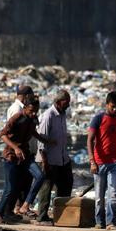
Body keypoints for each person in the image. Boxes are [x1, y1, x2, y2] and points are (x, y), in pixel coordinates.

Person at [0, 95, 48, 224]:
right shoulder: (17, 117)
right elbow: (2, 135)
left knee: (40, 176)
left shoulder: (33, 118)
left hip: (25, 155)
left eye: (35, 111)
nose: (33, 113)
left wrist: (44, 140)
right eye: (31, 111)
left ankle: (26, 204)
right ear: (25, 108)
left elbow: (32, 131)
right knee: (10, 188)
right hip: (11, 156)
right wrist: (15, 148)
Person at [32, 90, 73, 222]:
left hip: (61, 159)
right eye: (66, 102)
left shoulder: (62, 115)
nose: (68, 105)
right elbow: (41, 140)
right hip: (48, 159)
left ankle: (60, 215)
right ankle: (42, 216)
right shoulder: (48, 116)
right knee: (46, 188)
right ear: (58, 102)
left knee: (66, 184)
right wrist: (45, 162)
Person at [87, 91, 116, 229]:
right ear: (107, 104)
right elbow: (90, 140)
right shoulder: (98, 118)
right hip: (99, 163)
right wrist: (92, 161)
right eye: (112, 107)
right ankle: (99, 222)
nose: (115, 109)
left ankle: (111, 221)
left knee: (113, 193)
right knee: (99, 196)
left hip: (115, 162)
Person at [5, 85, 41, 217]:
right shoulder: (17, 109)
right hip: (19, 152)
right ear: (26, 96)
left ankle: (20, 208)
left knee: (25, 181)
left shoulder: (27, 109)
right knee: (17, 183)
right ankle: (14, 209)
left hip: (27, 150)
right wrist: (16, 148)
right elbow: (10, 132)